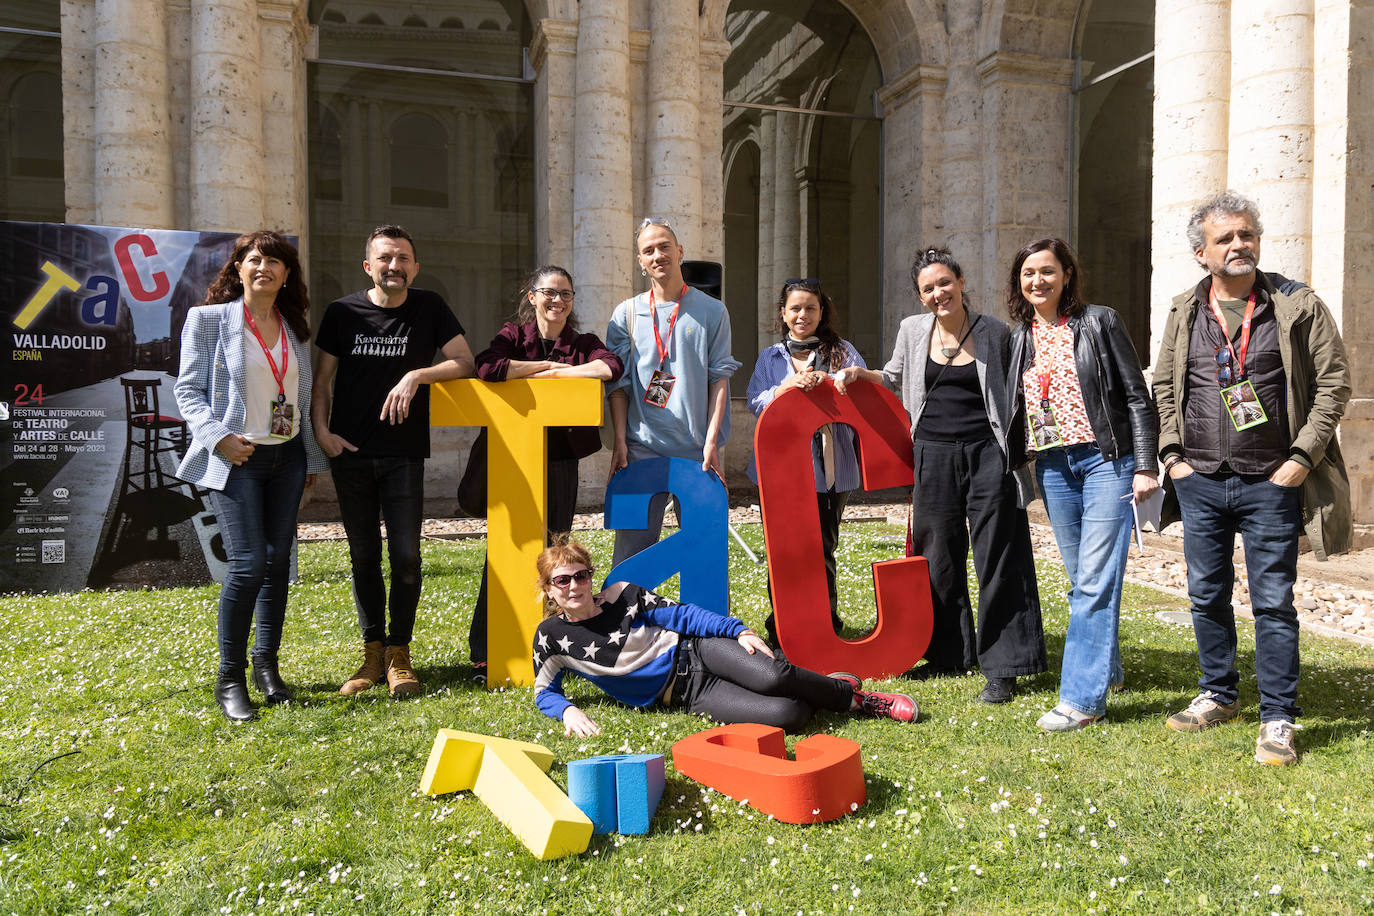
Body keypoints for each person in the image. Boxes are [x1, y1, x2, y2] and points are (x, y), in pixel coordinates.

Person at [1153, 190, 1351, 766]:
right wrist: (1174, 457)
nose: (1240, 245)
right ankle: (1219, 693)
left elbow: (1333, 385)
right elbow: (1163, 384)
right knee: (1206, 593)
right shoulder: (1183, 309)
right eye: (1226, 238)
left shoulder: (1296, 304)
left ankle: (1278, 718)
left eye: (1247, 235)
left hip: (1273, 480)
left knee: (1272, 600)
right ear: (1201, 253)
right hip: (1202, 480)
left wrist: (1301, 459)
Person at [836, 247, 1045, 704]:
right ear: (920, 295)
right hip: (931, 452)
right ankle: (949, 652)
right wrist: (860, 374)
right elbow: (893, 375)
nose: (938, 293)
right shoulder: (913, 330)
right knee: (938, 555)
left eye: (944, 283)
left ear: (961, 282)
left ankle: (1005, 666)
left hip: (989, 453)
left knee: (999, 554)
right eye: (928, 288)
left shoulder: (994, 332)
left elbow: (1017, 391)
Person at [312, 225, 475, 699]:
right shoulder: (342, 312)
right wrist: (323, 434)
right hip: (351, 453)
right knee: (363, 556)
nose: (394, 267)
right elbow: (322, 382)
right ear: (369, 266)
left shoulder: (430, 308)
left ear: (415, 266)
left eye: (403, 258)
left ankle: (399, 653)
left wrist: (416, 375)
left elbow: (465, 361)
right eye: (385, 259)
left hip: (404, 454)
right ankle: (372, 653)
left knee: (405, 557)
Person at [531, 538, 918, 736]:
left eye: (580, 575)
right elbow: (543, 691)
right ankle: (824, 686)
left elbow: (683, 615)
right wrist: (567, 709)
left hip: (699, 653)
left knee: (776, 676)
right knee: (788, 715)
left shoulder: (623, 595)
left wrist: (738, 630)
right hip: (689, 695)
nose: (574, 586)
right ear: (549, 590)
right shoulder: (551, 637)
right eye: (562, 580)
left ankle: (856, 699)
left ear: (590, 577)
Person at [1005, 238, 1159, 732]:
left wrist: (1145, 464)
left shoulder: (1099, 322)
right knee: (1082, 580)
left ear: (1068, 274)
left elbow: (1136, 395)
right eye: (1028, 273)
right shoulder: (1019, 337)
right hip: (1052, 466)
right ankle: (1107, 670)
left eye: (1048, 271)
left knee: (1094, 581)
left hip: (1105, 461)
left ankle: (1081, 699)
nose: (1038, 281)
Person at [175, 230, 328, 722]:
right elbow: (188, 391)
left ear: (287, 276)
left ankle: (267, 666)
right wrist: (218, 437)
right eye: (254, 259)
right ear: (238, 268)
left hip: (286, 459)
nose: (264, 267)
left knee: (277, 562)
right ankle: (230, 678)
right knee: (248, 565)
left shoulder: (294, 329)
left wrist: (310, 463)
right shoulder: (209, 320)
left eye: (275, 261)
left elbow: (299, 403)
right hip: (237, 457)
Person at [466, 265, 624, 670]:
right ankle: (487, 646)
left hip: (558, 462)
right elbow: (487, 367)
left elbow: (610, 367)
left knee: (557, 554)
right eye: (550, 293)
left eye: (566, 295)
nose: (558, 301)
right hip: (512, 460)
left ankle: (555, 641)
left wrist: (565, 371)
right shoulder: (512, 336)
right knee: (506, 551)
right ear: (532, 296)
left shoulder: (582, 342)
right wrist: (541, 369)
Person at [605, 217, 740, 568]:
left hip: (698, 454)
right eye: (648, 250)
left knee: (705, 557)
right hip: (640, 450)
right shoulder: (626, 314)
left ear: (679, 252)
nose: (657, 255)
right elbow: (617, 386)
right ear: (640, 261)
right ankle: (629, 622)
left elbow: (720, 379)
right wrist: (620, 442)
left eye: (664, 246)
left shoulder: (713, 311)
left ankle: (710, 624)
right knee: (631, 557)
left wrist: (711, 443)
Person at [745, 278, 865, 644]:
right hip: (781, 467)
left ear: (821, 312)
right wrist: (785, 389)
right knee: (783, 548)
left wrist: (836, 381)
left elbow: (865, 393)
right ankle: (782, 626)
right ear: (783, 313)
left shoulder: (842, 351)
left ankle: (826, 624)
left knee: (824, 545)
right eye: (795, 308)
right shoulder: (770, 357)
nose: (802, 315)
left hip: (832, 464)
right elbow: (754, 401)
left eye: (810, 308)